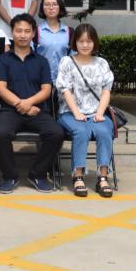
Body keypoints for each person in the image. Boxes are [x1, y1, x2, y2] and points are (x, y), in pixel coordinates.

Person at [0, 13, 64, 194]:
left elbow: (46, 90)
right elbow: (1, 89)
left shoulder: (41, 61)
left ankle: (38, 174)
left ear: (33, 34)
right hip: (9, 110)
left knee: (56, 133)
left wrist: (29, 104)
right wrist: (21, 105)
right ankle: (10, 176)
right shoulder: (3, 60)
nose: (22, 35)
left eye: (27, 31)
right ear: (12, 33)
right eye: (19, 31)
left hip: (37, 110)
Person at [55, 23, 116, 198]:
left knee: (105, 131)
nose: (85, 45)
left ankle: (103, 177)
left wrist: (100, 113)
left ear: (94, 42)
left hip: (96, 112)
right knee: (81, 131)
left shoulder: (102, 63)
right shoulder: (67, 62)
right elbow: (65, 90)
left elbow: (106, 90)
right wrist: (76, 112)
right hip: (69, 112)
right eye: (81, 41)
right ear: (75, 42)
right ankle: (78, 176)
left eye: (89, 41)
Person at [36, 0, 72, 82]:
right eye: (47, 4)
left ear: (60, 7)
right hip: (41, 81)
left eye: (55, 4)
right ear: (42, 8)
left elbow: (74, 59)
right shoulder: (36, 31)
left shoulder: (69, 31)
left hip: (64, 81)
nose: (51, 8)